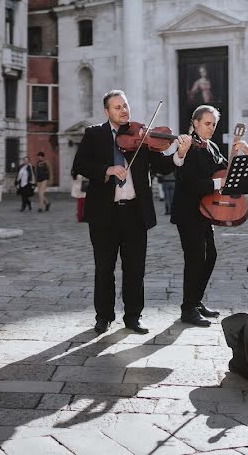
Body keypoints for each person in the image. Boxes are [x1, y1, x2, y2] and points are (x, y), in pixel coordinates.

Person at [71, 90, 184, 335]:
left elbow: (162, 166)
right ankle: (104, 316)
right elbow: (79, 165)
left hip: (135, 212)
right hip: (104, 213)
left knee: (135, 269)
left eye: (125, 105)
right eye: (117, 107)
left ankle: (133, 316)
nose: (124, 110)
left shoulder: (141, 136)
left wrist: (179, 153)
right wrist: (108, 169)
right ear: (107, 111)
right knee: (104, 268)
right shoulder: (94, 134)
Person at [171, 105, 248, 326]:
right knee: (195, 258)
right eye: (207, 123)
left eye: (213, 124)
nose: (211, 128)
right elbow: (189, 182)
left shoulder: (212, 146)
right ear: (195, 123)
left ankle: (195, 301)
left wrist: (239, 152)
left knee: (210, 255)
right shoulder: (186, 145)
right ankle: (188, 308)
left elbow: (227, 171)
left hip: (207, 210)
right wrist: (218, 183)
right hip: (188, 211)